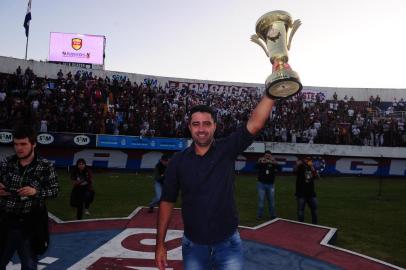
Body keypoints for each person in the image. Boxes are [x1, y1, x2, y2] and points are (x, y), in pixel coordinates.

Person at [156, 92, 274, 270]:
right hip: (194, 247)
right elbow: (167, 201)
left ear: (215, 126)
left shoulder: (226, 149)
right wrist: (160, 244)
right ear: (189, 127)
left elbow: (255, 124)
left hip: (228, 245)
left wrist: (271, 92)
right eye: (196, 124)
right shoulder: (178, 161)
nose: (201, 129)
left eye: (206, 124)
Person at [0, 125, 59, 270]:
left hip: (29, 224)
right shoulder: (6, 163)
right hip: (4, 222)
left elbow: (55, 190)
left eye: (23, 144)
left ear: (33, 144)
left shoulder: (45, 166)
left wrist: (35, 192)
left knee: (29, 265)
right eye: (15, 144)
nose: (18, 148)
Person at [255, 151, 280, 220]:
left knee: (271, 202)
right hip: (261, 184)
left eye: (269, 156)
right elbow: (254, 167)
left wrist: (275, 162)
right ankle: (259, 215)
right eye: (266, 156)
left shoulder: (273, 163)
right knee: (261, 201)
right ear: (264, 156)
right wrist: (259, 162)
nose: (267, 157)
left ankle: (273, 215)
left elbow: (280, 169)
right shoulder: (262, 162)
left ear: (271, 156)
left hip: (271, 185)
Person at [294, 157, 319, 224]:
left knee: (314, 209)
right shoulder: (300, 166)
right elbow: (294, 171)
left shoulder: (311, 167)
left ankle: (315, 224)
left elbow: (317, 177)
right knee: (300, 210)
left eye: (309, 159)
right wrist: (297, 165)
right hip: (301, 192)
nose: (307, 160)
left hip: (311, 192)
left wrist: (312, 167)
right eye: (306, 158)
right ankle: (301, 224)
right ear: (303, 159)